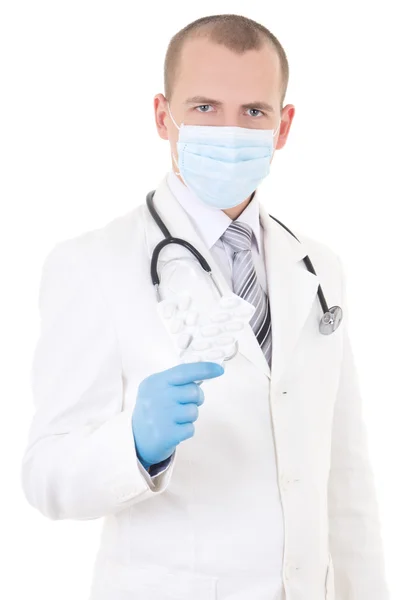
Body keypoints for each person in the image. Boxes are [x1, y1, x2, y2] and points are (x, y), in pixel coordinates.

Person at [21, 13, 390, 600]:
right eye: (204, 107)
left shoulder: (318, 267)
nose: (230, 130)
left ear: (284, 124)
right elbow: (46, 477)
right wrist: (134, 446)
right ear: (163, 117)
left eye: (253, 112)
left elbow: (343, 477)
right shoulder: (93, 263)